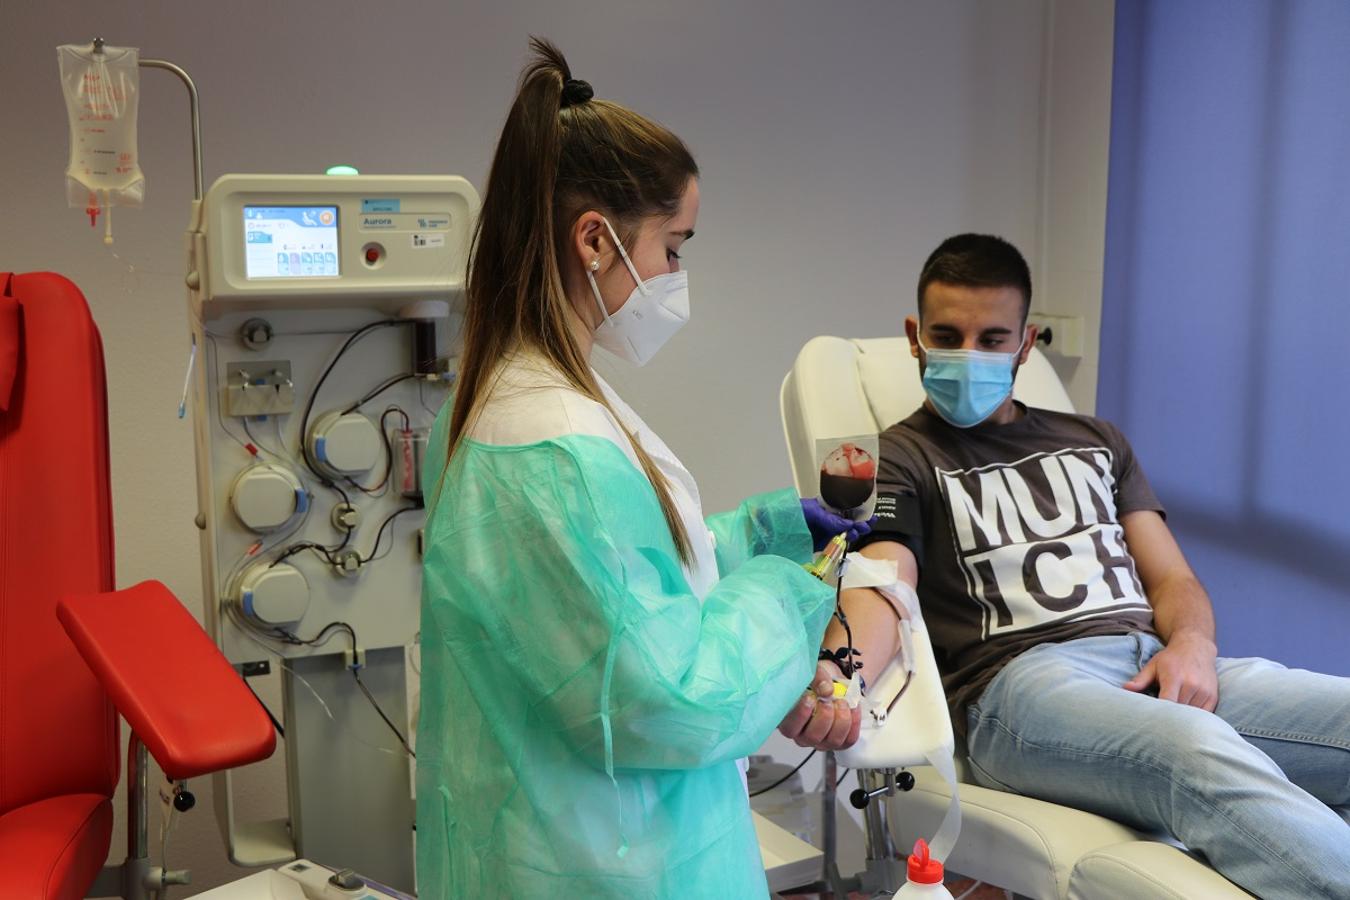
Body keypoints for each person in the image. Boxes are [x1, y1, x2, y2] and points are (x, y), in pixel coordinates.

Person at [416, 39, 865, 899]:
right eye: (673, 246)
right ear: (595, 240)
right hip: (610, 864)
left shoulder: (499, 406)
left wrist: (762, 529)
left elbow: (613, 591)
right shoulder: (555, 446)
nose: (674, 276)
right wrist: (786, 585)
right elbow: (675, 699)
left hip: (538, 844)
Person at [778, 233, 1350, 899]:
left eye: (993, 339)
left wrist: (1192, 644)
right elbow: (882, 581)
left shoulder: (1098, 439)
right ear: (914, 335)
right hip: (1019, 690)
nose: (969, 355)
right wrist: (839, 675)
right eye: (948, 334)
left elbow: (1173, 579)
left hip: (1151, 662)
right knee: (1189, 751)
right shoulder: (874, 454)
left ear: (1027, 343)